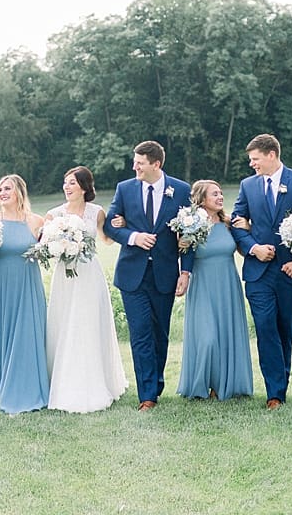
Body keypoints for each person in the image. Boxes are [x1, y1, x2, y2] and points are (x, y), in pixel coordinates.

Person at [230, 133, 292, 409]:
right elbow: (238, 223)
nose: (252, 165)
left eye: (255, 159)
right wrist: (253, 248)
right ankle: (274, 392)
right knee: (264, 326)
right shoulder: (248, 186)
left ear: (271, 155)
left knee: (284, 327)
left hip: (291, 272)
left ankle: (280, 385)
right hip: (258, 272)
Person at [103, 140, 193, 411]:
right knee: (140, 332)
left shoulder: (180, 190)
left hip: (165, 273)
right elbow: (110, 224)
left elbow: (190, 233)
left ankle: (156, 382)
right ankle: (147, 395)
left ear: (156, 164)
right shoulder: (125, 189)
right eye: (135, 162)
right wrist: (132, 236)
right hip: (132, 275)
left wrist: (185, 271)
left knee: (159, 334)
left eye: (140, 163)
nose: (135, 167)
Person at [46, 166, 128, 412]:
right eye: (65, 183)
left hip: (90, 275)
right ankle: (60, 379)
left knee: (89, 324)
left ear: (84, 187)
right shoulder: (54, 214)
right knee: (64, 324)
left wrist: (120, 224)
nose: (67, 187)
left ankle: (95, 380)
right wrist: (58, 245)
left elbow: (106, 239)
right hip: (65, 278)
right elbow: (45, 245)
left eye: (72, 183)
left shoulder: (96, 212)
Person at [0, 174, 49, 414]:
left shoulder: (36, 222)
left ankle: (24, 389)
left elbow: (46, 251)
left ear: (19, 193)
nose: (2, 192)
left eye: (8, 188)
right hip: (0, 285)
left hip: (28, 285)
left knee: (26, 334)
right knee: (1, 332)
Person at [175, 180, 253, 401]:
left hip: (228, 285)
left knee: (226, 334)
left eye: (220, 193)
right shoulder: (191, 223)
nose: (220, 197)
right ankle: (200, 383)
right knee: (207, 337)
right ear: (201, 199)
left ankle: (221, 386)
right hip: (203, 286)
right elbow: (185, 253)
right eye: (214, 194)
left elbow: (244, 248)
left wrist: (248, 228)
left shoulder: (228, 223)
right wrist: (184, 274)